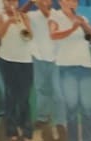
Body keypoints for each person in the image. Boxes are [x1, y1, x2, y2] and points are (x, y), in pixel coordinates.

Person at [47, 0, 91, 141]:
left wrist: (83, 25)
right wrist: (72, 27)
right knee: (72, 106)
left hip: (85, 65)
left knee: (87, 108)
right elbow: (53, 35)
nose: (71, 2)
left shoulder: (82, 18)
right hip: (66, 66)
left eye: (74, 0)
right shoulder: (55, 16)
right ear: (61, 2)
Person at [0, 0, 33, 141]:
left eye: (14, 1)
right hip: (7, 60)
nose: (11, 3)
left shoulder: (24, 16)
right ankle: (11, 128)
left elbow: (29, 36)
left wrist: (22, 21)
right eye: (8, 1)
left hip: (25, 60)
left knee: (24, 95)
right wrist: (9, 21)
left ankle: (26, 128)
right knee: (10, 94)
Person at [27, 0, 56, 129]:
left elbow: (47, 16)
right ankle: (42, 117)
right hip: (38, 57)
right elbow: (19, 14)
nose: (45, 1)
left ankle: (59, 117)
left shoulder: (58, 14)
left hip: (55, 57)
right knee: (41, 88)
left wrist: (41, 5)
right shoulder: (32, 15)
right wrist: (30, 3)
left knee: (57, 90)